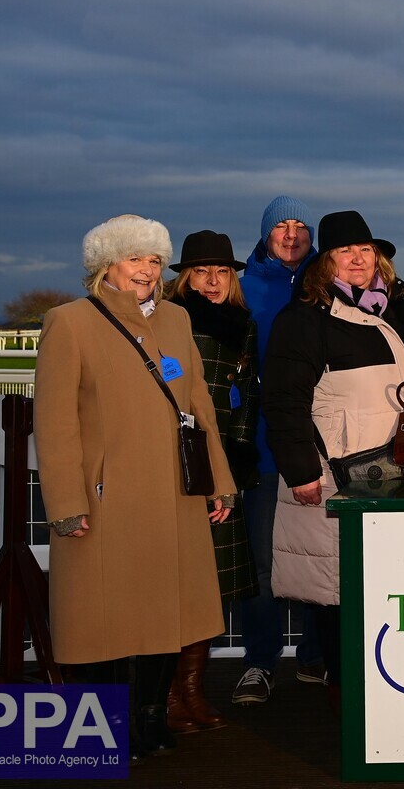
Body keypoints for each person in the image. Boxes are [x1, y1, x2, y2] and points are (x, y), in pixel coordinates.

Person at [33, 214, 235, 759]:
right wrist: (67, 502)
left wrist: (219, 482)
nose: (147, 271)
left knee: (167, 616)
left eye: (153, 260)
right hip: (105, 499)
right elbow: (54, 424)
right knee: (102, 620)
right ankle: (101, 727)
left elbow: (200, 408)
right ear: (106, 265)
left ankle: (149, 717)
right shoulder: (69, 322)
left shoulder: (175, 319)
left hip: (173, 495)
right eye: (134, 259)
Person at [262, 210, 404, 708]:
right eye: (345, 251)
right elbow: (284, 400)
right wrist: (302, 471)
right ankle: (344, 688)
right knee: (339, 585)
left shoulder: (399, 310)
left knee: (390, 581)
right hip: (335, 472)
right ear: (324, 261)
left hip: (400, 471)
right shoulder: (305, 318)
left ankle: (388, 684)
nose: (358, 259)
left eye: (366, 250)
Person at [163, 230, 261, 733]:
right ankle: (167, 698)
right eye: (201, 271)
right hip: (177, 464)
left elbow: (245, 394)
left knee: (211, 585)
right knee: (175, 585)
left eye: (221, 272)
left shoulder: (244, 326)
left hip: (222, 465)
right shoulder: (166, 320)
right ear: (184, 277)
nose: (212, 281)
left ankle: (193, 693)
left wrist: (239, 455)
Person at [234, 195, 324, 704]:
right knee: (263, 562)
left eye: (300, 226)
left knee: (318, 557)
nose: (291, 235)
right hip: (264, 451)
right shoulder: (244, 289)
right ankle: (260, 661)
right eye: (281, 226)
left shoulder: (325, 287)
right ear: (265, 234)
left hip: (321, 451)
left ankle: (314, 656)